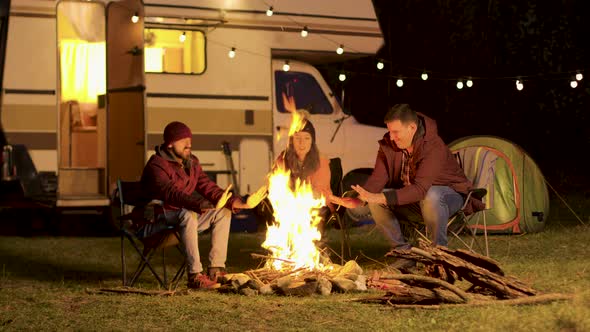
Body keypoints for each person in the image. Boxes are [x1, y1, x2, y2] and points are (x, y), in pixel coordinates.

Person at [342, 104, 484, 268]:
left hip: (451, 198)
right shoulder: (389, 145)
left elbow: (420, 189)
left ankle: (439, 255)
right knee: (376, 201)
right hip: (418, 202)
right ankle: (404, 253)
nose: (392, 137)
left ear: (412, 127)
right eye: (389, 131)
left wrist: (381, 196)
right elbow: (377, 179)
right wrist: (358, 199)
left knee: (432, 194)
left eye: (396, 132)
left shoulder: (433, 146)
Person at [140, 121, 265, 289]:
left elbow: (209, 187)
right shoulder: (156, 165)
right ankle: (195, 276)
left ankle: (216, 270)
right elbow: (171, 193)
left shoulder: (191, 163)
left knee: (223, 212)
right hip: (155, 222)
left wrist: (240, 203)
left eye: (189, 139)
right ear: (170, 143)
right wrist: (200, 204)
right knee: (188, 214)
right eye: (183, 140)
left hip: (180, 221)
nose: (188, 144)